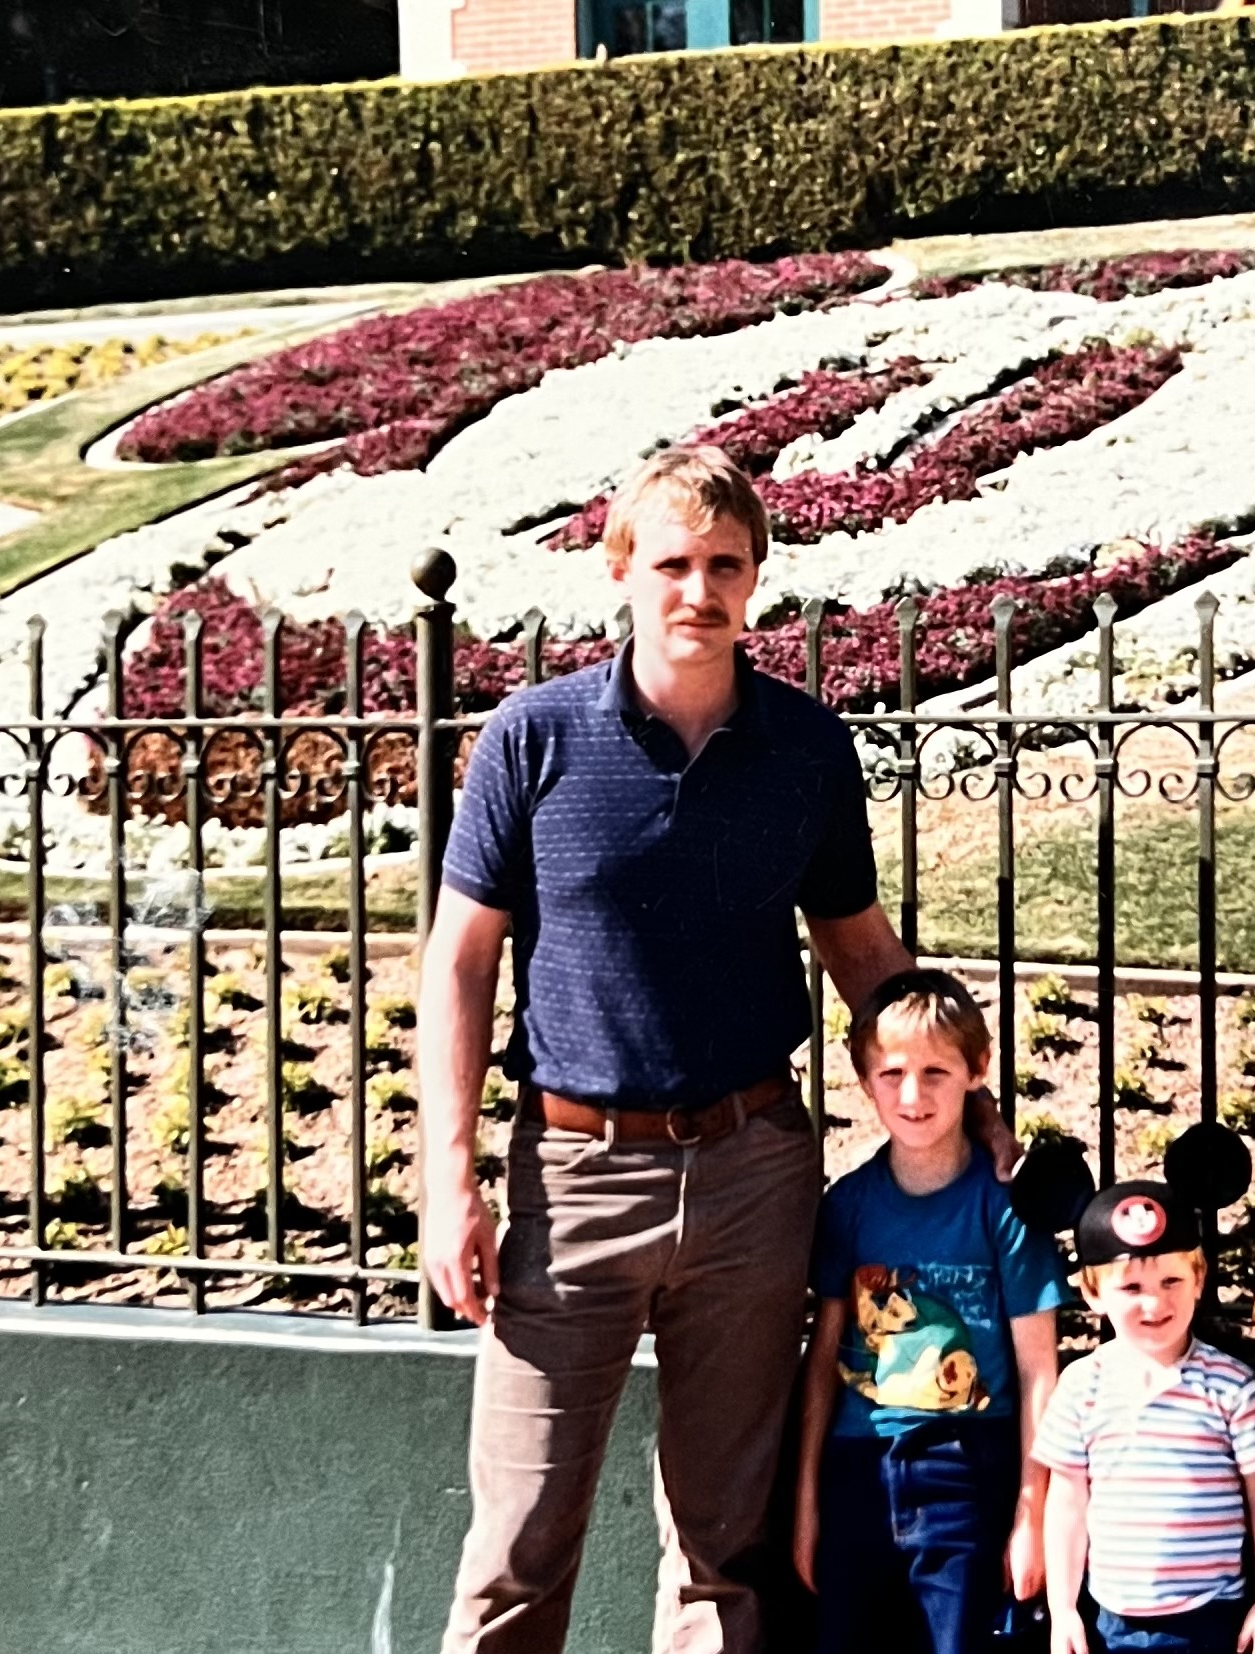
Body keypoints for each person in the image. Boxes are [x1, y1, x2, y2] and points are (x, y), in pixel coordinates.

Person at [419, 445, 933, 1654]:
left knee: (725, 1550)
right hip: (575, 1174)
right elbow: (458, 959)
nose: (698, 590)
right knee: (518, 1546)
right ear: (620, 572)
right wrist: (449, 1178)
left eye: (725, 565)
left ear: (756, 580)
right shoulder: (532, 739)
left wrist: (956, 1096)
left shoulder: (807, 749)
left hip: (754, 1170)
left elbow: (858, 947)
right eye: (672, 564)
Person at [794, 968, 1064, 1654]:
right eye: (891, 1074)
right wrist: (807, 1504)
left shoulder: (1003, 1208)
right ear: (863, 1079)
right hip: (859, 1464)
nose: (913, 1096)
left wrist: (1031, 1513)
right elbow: (823, 1361)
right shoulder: (849, 1205)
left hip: (970, 1468)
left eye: (936, 1073)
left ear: (976, 1071)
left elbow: (1039, 1369)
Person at [1035, 1178, 1255, 1654]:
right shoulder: (1082, 1386)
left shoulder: (1231, 1386)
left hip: (1213, 1619)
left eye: (1171, 1281)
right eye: (1131, 1287)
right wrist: (1063, 1610)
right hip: (1113, 1622)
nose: (1154, 1303)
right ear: (1093, 1293)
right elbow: (1067, 1503)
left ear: (1199, 1278)